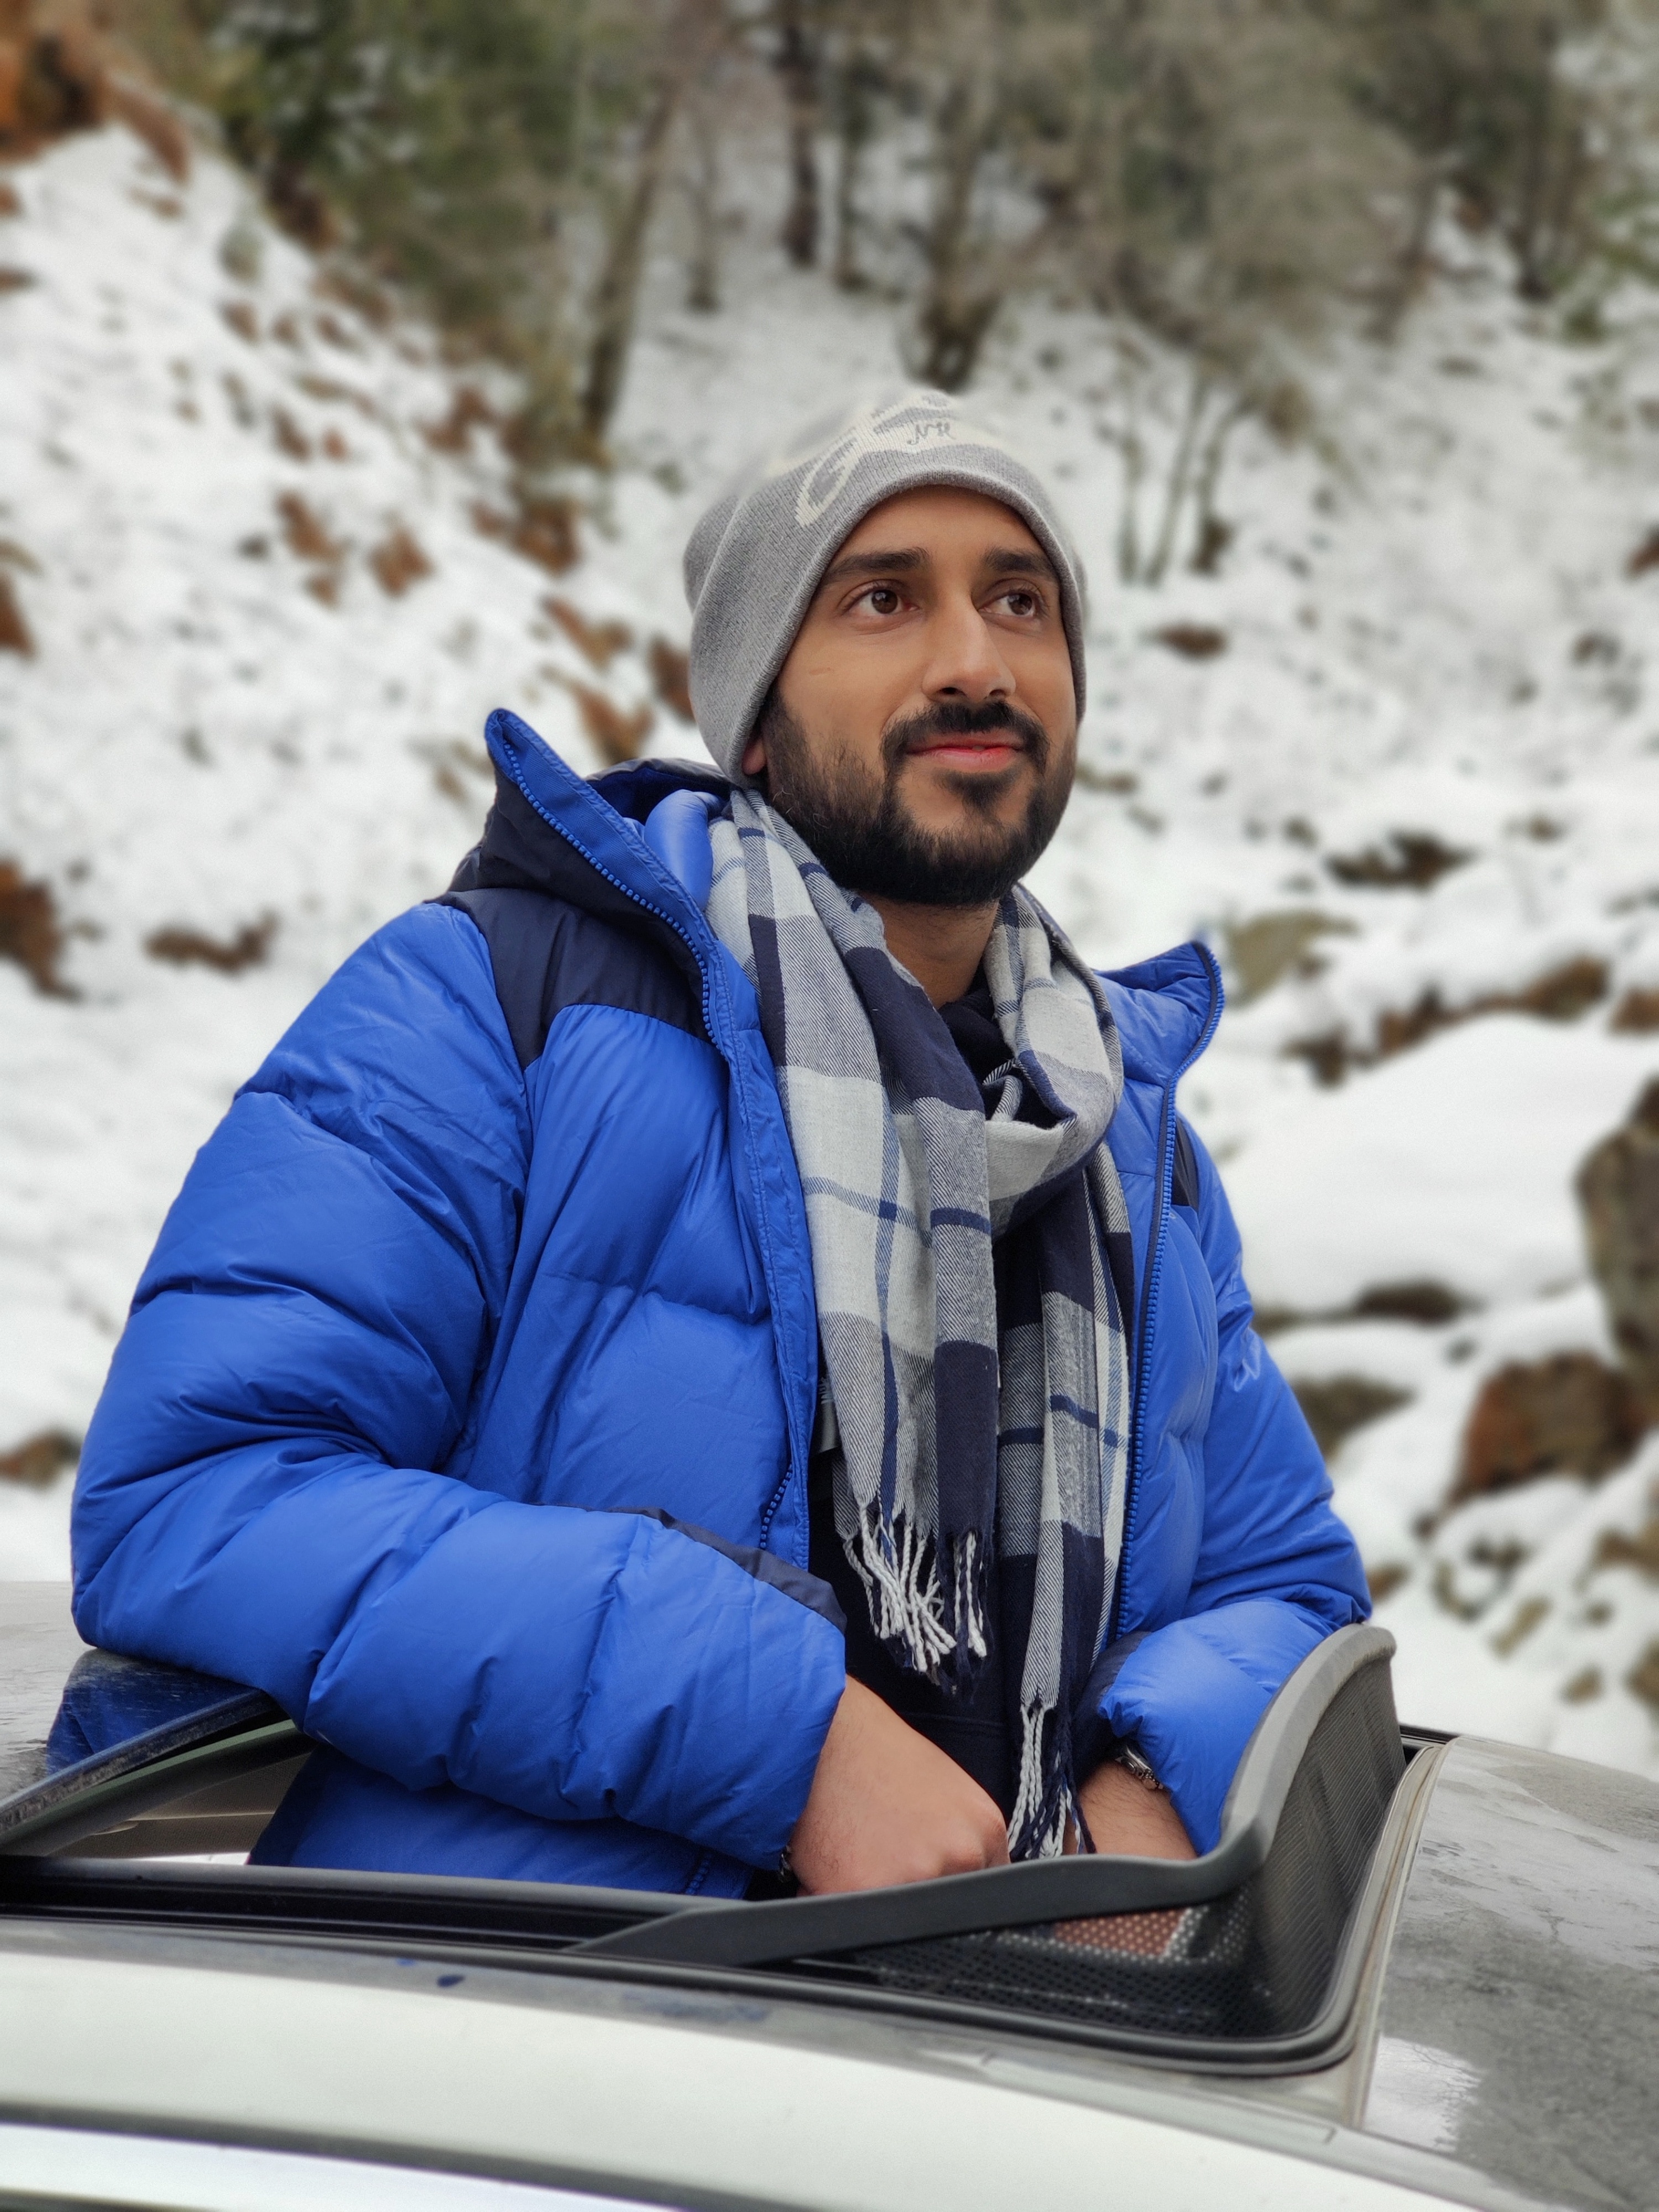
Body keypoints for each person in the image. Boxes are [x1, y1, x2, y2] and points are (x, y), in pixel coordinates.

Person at [71, 390, 1369, 1898]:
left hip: (1016, 2032)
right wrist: (785, 1735)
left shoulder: (1124, 1142)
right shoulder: (489, 1009)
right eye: (884, 599)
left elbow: (1288, 1587)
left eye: (1021, 601)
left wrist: (1151, 1788)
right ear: (756, 714)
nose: (975, 660)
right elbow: (199, 1496)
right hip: (532, 2020)